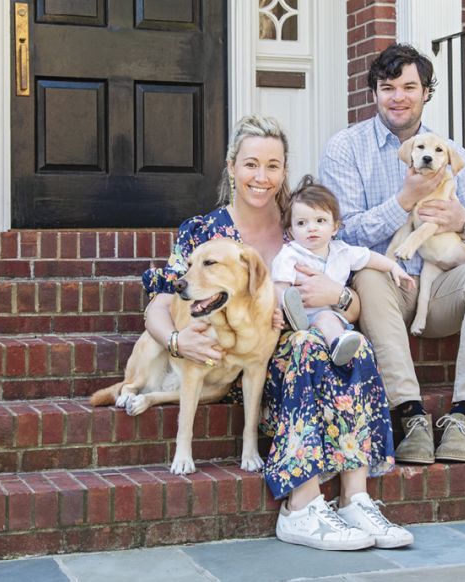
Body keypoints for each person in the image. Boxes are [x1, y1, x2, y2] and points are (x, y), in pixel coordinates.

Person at [142, 114, 413, 551]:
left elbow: (355, 306)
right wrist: (177, 340)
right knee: (307, 348)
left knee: (355, 346)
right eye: (251, 164)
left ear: (284, 171)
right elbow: (159, 301)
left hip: (298, 347)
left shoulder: (304, 220)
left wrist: (337, 297)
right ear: (232, 167)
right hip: (236, 368)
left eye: (273, 166)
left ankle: (355, 498)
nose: (261, 177)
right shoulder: (204, 232)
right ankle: (301, 506)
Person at [319, 43, 465, 465]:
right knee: (367, 275)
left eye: (410, 86)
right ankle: (409, 416)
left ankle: (463, 415)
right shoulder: (346, 148)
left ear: (426, 92)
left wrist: (464, 222)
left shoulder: (451, 153)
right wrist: (403, 201)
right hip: (383, 288)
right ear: (374, 92)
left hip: (440, 286)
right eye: (388, 87)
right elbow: (341, 233)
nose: (399, 96)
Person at [272, 175, 416, 367]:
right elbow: (280, 285)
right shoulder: (290, 253)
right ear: (290, 232)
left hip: (326, 310)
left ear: (335, 227)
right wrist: (280, 309)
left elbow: (369, 257)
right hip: (295, 313)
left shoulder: (342, 251)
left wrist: (394, 267)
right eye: (301, 223)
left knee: (328, 318)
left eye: (320, 220)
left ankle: (339, 343)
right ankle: (299, 317)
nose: (311, 228)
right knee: (297, 300)